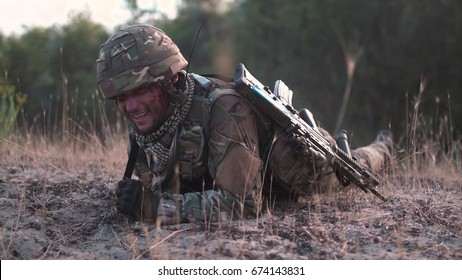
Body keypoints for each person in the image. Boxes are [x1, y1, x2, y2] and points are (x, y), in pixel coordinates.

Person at [96, 24, 392, 225]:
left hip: (301, 168)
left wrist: (155, 208)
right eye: (121, 96)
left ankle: (385, 146)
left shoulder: (224, 109)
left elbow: (241, 205)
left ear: (171, 80)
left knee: (356, 166)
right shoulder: (149, 125)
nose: (131, 106)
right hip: (251, 176)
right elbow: (163, 186)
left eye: (140, 91)